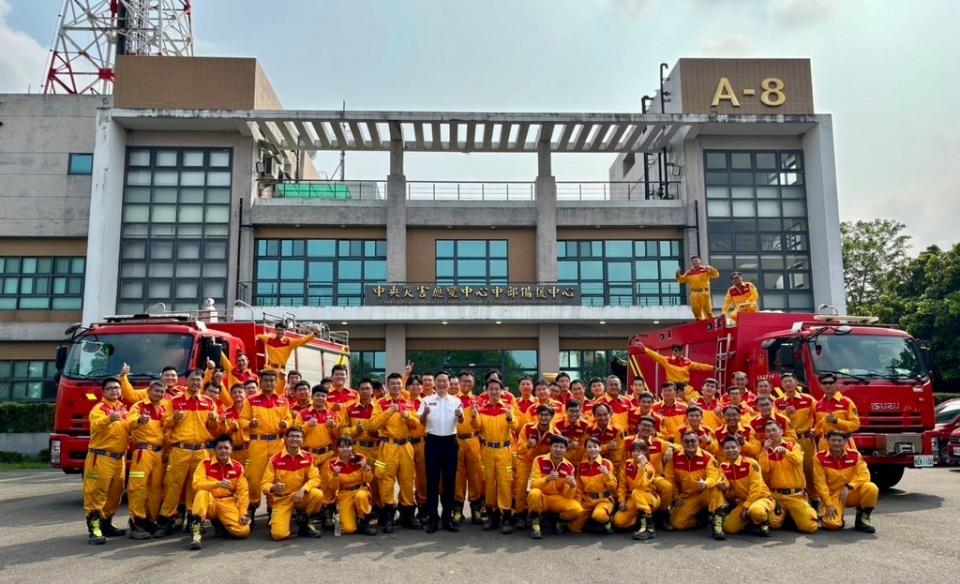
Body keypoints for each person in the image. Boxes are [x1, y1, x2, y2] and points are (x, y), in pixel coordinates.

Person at [156, 369, 219, 538]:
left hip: (200, 450)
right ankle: (166, 520)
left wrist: (214, 421)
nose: (196, 382)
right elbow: (165, 425)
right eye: (192, 379)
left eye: (198, 379)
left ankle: (194, 520)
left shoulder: (209, 402)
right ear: (186, 381)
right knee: (172, 487)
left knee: (197, 487)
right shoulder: (175, 402)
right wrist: (174, 419)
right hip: (180, 450)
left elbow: (214, 429)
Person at [370, 372, 421, 532]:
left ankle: (408, 515)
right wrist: (389, 411)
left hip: (406, 446)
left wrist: (408, 417)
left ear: (402, 385)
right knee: (386, 480)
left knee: (407, 480)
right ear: (387, 386)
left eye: (399, 383)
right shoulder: (380, 403)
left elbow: (417, 425)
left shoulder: (409, 402)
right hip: (386, 447)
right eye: (393, 384)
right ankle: (388, 517)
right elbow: (373, 425)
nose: (396, 386)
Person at [240, 369, 292, 525]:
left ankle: (272, 509)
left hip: (278, 442)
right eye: (266, 380)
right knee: (254, 478)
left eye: (272, 380)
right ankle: (252, 507)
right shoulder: (251, 400)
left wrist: (286, 424)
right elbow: (241, 420)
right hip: (257, 443)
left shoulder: (283, 401)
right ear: (260, 382)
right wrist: (249, 424)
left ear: (276, 382)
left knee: (277, 477)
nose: (269, 383)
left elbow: (289, 418)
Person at [82, 377, 129, 544]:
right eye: (110, 388)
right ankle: (94, 530)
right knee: (96, 494)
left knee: (115, 494)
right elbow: (95, 424)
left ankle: (106, 524)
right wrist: (110, 418)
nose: (115, 391)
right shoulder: (99, 409)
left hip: (119, 458)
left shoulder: (123, 409)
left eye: (117, 388)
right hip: (100, 457)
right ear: (104, 391)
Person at [418, 370, 464, 533]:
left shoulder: (456, 400)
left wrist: (460, 416)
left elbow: (461, 420)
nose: (442, 383)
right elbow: (421, 421)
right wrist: (425, 413)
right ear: (435, 383)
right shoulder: (426, 400)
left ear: (449, 383)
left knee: (450, 482)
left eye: (445, 381)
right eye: (439, 381)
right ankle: (432, 519)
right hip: (433, 442)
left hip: (450, 442)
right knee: (432, 482)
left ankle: (447, 519)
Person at [472, 377, 519, 533]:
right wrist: (473, 415)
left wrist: (509, 416)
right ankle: (492, 516)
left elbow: (515, 425)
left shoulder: (507, 408)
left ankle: (506, 516)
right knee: (489, 483)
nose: (494, 392)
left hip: (504, 450)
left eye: (497, 389)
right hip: (487, 450)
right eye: (491, 389)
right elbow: (476, 426)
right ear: (486, 391)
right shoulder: (482, 408)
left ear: (502, 391)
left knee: (505, 483)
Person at [261, 426, 325, 540]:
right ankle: (279, 518)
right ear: (285, 438)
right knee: (278, 535)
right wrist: (273, 487)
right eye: (292, 436)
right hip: (281, 500)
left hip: (298, 497)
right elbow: (264, 484)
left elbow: (316, 479)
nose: (294, 439)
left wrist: (303, 489)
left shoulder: (308, 457)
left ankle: (305, 522)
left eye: (298, 436)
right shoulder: (275, 459)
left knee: (317, 494)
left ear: (302, 439)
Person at [188, 435, 251, 549]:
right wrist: (216, 484)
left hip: (227, 502)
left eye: (226, 448)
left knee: (243, 531)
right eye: (220, 448)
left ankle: (220, 523)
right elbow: (196, 484)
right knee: (202, 492)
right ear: (214, 450)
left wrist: (243, 513)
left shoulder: (238, 467)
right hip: (209, 502)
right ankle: (196, 536)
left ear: (231, 449)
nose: (223, 451)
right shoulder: (204, 464)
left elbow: (243, 492)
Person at [125, 380, 168, 540]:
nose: (159, 394)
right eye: (156, 391)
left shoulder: (164, 407)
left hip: (159, 453)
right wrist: (138, 421)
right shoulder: (138, 407)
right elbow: (128, 424)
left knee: (155, 489)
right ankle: (137, 522)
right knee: (138, 488)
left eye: (162, 392)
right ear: (149, 390)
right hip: (143, 452)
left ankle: (151, 519)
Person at [813, 430, 879, 533]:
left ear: (845, 442)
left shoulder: (855, 455)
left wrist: (850, 486)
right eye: (833, 440)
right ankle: (833, 514)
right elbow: (820, 483)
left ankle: (862, 520)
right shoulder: (819, 458)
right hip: (833, 496)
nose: (836, 443)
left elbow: (865, 475)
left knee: (871, 488)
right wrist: (829, 504)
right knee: (832, 525)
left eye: (840, 441)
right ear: (827, 441)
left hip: (850, 492)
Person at [760, 420, 819, 534]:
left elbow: (798, 460)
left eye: (774, 430)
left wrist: (786, 452)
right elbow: (764, 470)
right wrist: (764, 451)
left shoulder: (794, 446)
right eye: (768, 431)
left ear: (781, 431)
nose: (771, 433)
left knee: (810, 527)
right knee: (773, 524)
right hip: (777, 496)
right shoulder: (765, 450)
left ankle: (796, 514)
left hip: (795, 495)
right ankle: (789, 516)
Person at [665, 429, 726, 540]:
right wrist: (676, 497)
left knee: (715, 487)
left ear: (698, 441)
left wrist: (706, 483)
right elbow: (670, 480)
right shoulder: (674, 458)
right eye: (686, 441)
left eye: (693, 441)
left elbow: (713, 476)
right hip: (687, 497)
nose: (690, 444)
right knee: (677, 524)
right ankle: (700, 519)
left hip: (704, 493)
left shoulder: (707, 457)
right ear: (682, 443)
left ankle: (717, 524)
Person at [527, 435, 582, 539]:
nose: (558, 449)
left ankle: (558, 520)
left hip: (556, 498)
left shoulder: (569, 466)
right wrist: (546, 479)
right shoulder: (539, 460)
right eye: (555, 446)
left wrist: (572, 486)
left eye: (561, 447)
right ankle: (535, 523)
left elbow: (568, 495)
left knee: (577, 509)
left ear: (566, 449)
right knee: (534, 493)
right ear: (550, 447)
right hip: (541, 496)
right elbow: (533, 483)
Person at [717, 435, 774, 536]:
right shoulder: (723, 466)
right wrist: (724, 489)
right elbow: (727, 487)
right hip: (743, 501)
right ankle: (750, 520)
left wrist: (746, 507)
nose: (730, 450)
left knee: (756, 512)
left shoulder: (751, 463)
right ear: (723, 450)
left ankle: (763, 523)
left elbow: (756, 489)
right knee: (728, 528)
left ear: (739, 448)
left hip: (761, 498)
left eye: (733, 447)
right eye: (727, 448)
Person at [322, 437, 378, 535]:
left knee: (360, 496)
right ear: (337, 448)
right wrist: (335, 475)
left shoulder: (360, 458)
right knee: (348, 529)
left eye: (348, 446)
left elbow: (369, 479)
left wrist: (365, 467)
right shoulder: (332, 464)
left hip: (361, 490)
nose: (345, 449)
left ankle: (364, 522)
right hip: (344, 494)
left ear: (352, 447)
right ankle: (353, 517)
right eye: (342, 447)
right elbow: (334, 487)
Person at [774, 373, 818, 497]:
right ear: (782, 385)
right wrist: (785, 413)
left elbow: (820, 415)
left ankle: (815, 498)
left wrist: (816, 429)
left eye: (790, 381)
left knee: (810, 469)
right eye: (785, 382)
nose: (788, 384)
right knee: (792, 469)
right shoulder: (778, 402)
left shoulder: (808, 399)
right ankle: (798, 497)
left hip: (805, 440)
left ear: (796, 382)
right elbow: (775, 421)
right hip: (788, 441)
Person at [514, 405, 557, 529]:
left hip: (543, 465)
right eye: (541, 415)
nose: (544, 417)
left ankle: (541, 515)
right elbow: (519, 449)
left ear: (551, 417)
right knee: (521, 488)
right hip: (526, 462)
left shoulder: (555, 433)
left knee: (543, 488)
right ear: (537, 416)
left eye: (547, 415)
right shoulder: (527, 428)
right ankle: (520, 515)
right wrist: (528, 445)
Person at [342, 378, 381, 512]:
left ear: (372, 391)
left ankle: (379, 508)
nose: (365, 391)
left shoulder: (379, 407)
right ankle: (359, 510)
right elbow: (343, 431)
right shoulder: (350, 409)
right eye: (362, 389)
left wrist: (377, 432)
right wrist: (354, 431)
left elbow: (388, 427)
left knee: (380, 477)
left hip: (378, 450)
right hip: (358, 450)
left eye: (367, 388)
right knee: (358, 478)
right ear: (358, 391)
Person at [634, 342, 714, 402]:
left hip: (685, 389)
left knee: (696, 402)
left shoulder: (687, 362)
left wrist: (713, 368)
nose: (676, 352)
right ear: (672, 351)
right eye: (675, 350)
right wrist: (645, 349)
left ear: (681, 351)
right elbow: (655, 356)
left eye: (678, 350)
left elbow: (700, 366)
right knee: (673, 404)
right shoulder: (667, 360)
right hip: (673, 388)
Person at [453, 370, 484, 525]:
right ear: (459, 382)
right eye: (464, 381)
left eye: (469, 381)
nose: (466, 384)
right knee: (457, 476)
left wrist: (474, 414)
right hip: (456, 440)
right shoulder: (452, 400)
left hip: (473, 440)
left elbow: (482, 424)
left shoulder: (478, 400)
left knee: (475, 475)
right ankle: (457, 509)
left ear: (473, 383)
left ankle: (476, 508)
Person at [613, 439, 660, 541]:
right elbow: (622, 485)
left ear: (645, 452)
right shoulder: (627, 464)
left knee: (637, 491)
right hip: (634, 498)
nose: (636, 453)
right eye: (634, 451)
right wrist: (621, 500)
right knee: (618, 521)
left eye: (639, 451)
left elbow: (640, 485)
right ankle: (639, 520)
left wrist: (641, 467)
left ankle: (649, 529)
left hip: (650, 498)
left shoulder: (649, 468)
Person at [570, 437, 617, 534]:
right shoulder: (582, 466)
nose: (592, 449)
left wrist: (606, 474)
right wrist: (577, 503)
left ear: (600, 448)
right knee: (573, 528)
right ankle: (594, 523)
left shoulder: (606, 463)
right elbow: (579, 488)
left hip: (604, 499)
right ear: (586, 449)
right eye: (589, 447)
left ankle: (608, 522)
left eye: (595, 446)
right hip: (587, 500)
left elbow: (613, 486)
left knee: (599, 515)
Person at [295, 384, 341, 470]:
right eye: (318, 395)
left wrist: (334, 426)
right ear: (312, 397)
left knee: (326, 481)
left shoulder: (332, 414)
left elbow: (338, 435)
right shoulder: (302, 413)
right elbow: (295, 435)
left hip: (328, 455)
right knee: (311, 481)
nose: (320, 398)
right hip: (308, 455)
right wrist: (307, 425)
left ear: (326, 398)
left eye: (323, 396)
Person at [813, 373, 860, 449]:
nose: (827, 385)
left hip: (843, 442)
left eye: (830, 382)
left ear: (836, 384)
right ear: (821, 385)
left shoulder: (847, 402)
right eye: (824, 383)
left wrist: (836, 421)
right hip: (824, 444)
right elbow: (819, 426)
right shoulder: (818, 405)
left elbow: (856, 425)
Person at [405, 374, 428, 524]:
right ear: (407, 387)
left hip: (421, 443)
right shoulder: (403, 402)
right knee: (406, 477)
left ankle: (424, 509)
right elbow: (396, 386)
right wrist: (405, 374)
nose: (415, 387)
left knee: (422, 477)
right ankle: (406, 510)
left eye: (418, 385)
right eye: (412, 384)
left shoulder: (426, 402)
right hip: (406, 443)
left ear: (422, 387)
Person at [588, 403, 624, 471]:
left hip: (612, 467)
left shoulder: (617, 429)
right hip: (593, 465)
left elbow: (617, 456)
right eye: (599, 415)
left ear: (610, 414)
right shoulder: (589, 428)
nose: (603, 418)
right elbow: (589, 452)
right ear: (594, 416)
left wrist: (611, 470)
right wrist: (607, 447)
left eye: (605, 414)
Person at [554, 400, 590, 466]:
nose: (574, 414)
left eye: (577, 411)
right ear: (566, 411)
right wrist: (568, 445)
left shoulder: (585, 425)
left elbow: (584, 445)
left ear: (581, 411)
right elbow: (554, 444)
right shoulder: (557, 424)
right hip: (561, 461)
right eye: (571, 411)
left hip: (579, 461)